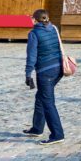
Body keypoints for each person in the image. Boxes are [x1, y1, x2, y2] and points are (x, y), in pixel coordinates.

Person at [23, 9, 65, 145]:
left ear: (34, 19)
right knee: (41, 96)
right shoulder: (54, 28)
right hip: (58, 69)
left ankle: (57, 134)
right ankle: (37, 128)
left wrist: (28, 74)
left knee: (48, 102)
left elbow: (32, 56)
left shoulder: (34, 33)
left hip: (45, 72)